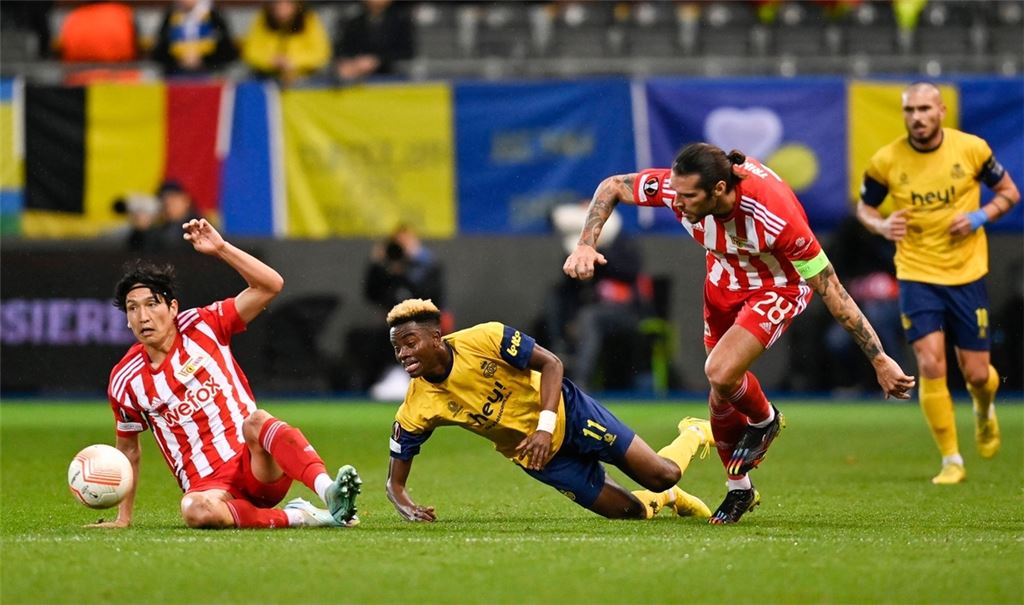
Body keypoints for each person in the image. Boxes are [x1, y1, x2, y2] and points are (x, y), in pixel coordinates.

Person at [563, 142, 915, 524]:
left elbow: (832, 290)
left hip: (776, 286)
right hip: (723, 281)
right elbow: (613, 185)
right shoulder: (679, 189)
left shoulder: (775, 215)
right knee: (720, 393)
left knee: (719, 371)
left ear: (718, 190)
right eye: (675, 194)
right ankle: (739, 488)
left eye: (688, 197)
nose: (676, 204)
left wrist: (879, 358)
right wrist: (585, 244)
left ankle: (764, 419)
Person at [97, 218, 361, 530]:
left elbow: (271, 285)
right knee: (194, 511)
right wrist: (122, 518)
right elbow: (128, 450)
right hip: (210, 490)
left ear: (172, 308)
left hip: (257, 465)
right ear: (127, 319)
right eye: (132, 308)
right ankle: (303, 516)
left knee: (257, 420)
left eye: (152, 304)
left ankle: (327, 490)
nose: (143, 316)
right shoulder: (126, 379)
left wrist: (221, 249)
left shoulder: (203, 324)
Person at [384, 298, 714, 522]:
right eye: (397, 347)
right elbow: (394, 484)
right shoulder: (417, 407)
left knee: (662, 474)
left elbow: (552, 363)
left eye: (410, 342)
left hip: (569, 414)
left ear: (437, 337)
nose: (403, 353)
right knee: (630, 513)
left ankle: (694, 431)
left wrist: (545, 425)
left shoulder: (485, 338)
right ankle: (670, 498)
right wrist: (408, 507)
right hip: (539, 457)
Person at [856, 81, 1020, 485]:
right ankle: (951, 459)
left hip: (966, 273)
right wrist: (880, 224)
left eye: (925, 109)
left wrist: (980, 218)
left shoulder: (972, 149)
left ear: (941, 111)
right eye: (910, 111)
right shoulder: (886, 160)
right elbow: (865, 207)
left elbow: (1009, 193)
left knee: (978, 374)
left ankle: (984, 409)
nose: (917, 118)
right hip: (916, 273)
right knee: (930, 363)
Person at [546, 203, 654, 391]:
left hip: (627, 313)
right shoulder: (578, 249)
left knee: (590, 317)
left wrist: (601, 255)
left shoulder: (622, 243)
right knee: (561, 306)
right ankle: (559, 361)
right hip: (591, 311)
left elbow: (630, 272)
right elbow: (569, 289)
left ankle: (580, 382)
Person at [340, 226, 445, 399]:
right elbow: (372, 294)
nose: (401, 248)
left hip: (422, 324)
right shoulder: (386, 269)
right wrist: (376, 263)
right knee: (384, 342)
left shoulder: (427, 266)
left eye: (405, 242)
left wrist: (412, 264)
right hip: (390, 326)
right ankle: (387, 379)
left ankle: (420, 382)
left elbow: (432, 297)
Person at [241, 0, 330, 85]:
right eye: (278, 4)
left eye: (287, 4)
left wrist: (293, 61)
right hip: (266, 76)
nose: (282, 9)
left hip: (306, 77)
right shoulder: (262, 20)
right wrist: (270, 60)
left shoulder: (309, 20)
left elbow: (321, 54)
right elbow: (250, 51)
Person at [150, 0, 238, 76]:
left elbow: (226, 47)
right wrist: (178, 59)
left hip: (209, 70)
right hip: (175, 71)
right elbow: (160, 47)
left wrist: (203, 59)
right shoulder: (170, 16)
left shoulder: (214, 16)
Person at [334, 0, 413, 82]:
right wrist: (350, 63)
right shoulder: (353, 23)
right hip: (357, 78)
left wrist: (377, 61)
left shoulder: (401, 21)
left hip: (393, 77)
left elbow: (406, 52)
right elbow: (343, 50)